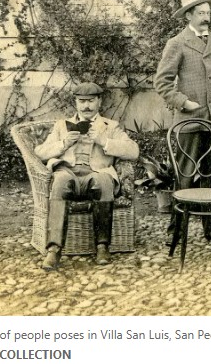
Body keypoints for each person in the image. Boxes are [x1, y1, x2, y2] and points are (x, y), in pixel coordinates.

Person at [154, 0, 211, 240]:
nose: (206, 17)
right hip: (189, 120)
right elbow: (162, 82)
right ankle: (177, 230)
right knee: (185, 175)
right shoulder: (177, 43)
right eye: (200, 13)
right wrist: (183, 102)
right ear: (188, 16)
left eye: (208, 13)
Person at [34, 82, 139, 270]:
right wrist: (63, 144)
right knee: (59, 181)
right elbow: (40, 152)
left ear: (99, 101)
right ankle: (54, 250)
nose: (86, 106)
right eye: (81, 101)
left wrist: (103, 141)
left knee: (104, 181)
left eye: (90, 101)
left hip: (96, 172)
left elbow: (133, 151)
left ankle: (102, 247)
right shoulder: (61, 126)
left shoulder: (110, 126)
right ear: (76, 102)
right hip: (68, 172)